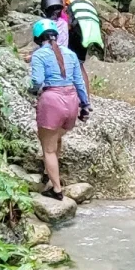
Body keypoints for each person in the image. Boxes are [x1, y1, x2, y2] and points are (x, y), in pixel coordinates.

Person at [30, 18, 89, 200]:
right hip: (72, 101)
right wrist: (85, 105)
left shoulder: (39, 55)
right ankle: (52, 175)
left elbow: (37, 81)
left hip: (52, 101)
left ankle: (56, 189)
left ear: (38, 38)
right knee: (57, 140)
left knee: (48, 148)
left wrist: (31, 91)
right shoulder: (70, 54)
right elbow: (79, 82)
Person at [43, 0, 104, 91]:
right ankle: (85, 104)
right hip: (84, 25)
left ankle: (62, 95)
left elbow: (59, 5)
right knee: (79, 63)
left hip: (72, 26)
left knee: (62, 58)